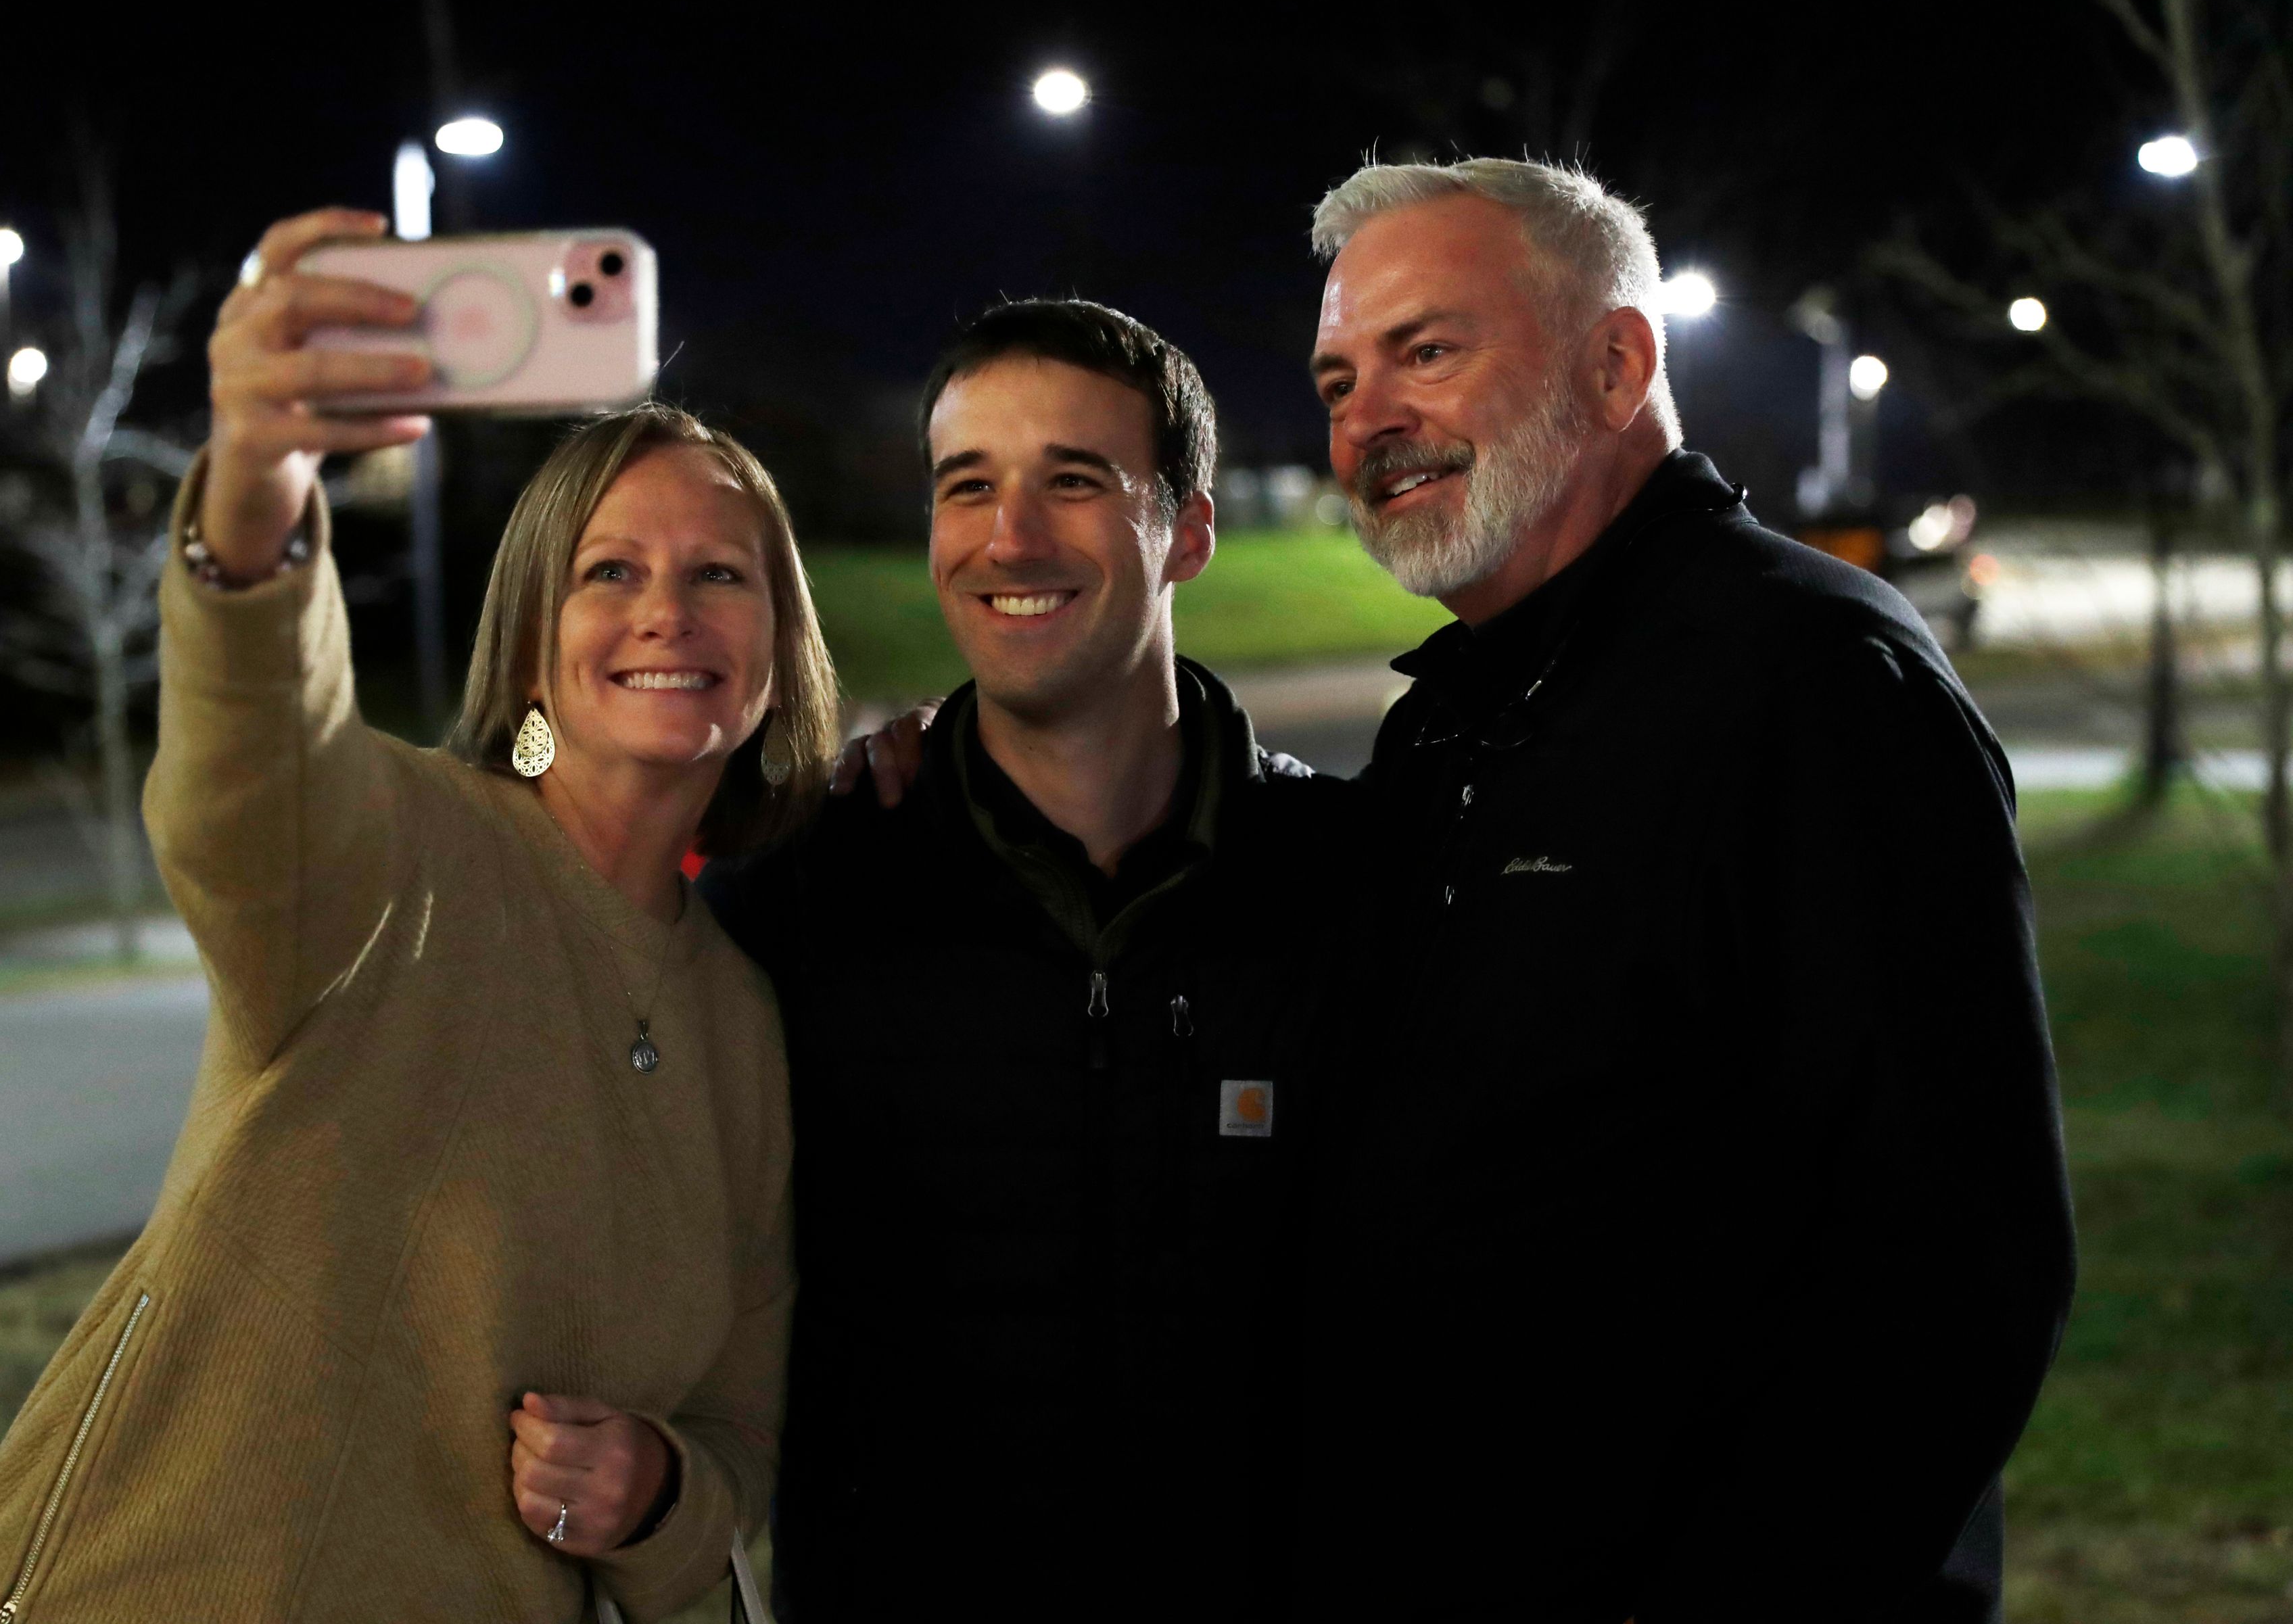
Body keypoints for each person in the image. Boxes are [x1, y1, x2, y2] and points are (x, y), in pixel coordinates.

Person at [0, 208, 828, 1623]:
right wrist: (258, 484)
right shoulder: (403, 845)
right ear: (530, 637)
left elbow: (737, 1434)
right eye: (610, 571)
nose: (670, 612)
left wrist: (653, 1489)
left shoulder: (745, 1027)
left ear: (778, 650)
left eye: (722, 573)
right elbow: (246, 776)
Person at [1298, 159, 2076, 1620]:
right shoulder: (1447, 725)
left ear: (1616, 362)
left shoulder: (1815, 683)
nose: (1367, 419)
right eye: (1340, 377)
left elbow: (1960, 1270)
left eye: (1428, 349)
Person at [699, 300, 1357, 1621]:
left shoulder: (1357, 884)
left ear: (1192, 530)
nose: (1010, 537)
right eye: (968, 487)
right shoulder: (807, 893)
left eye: (1072, 479)